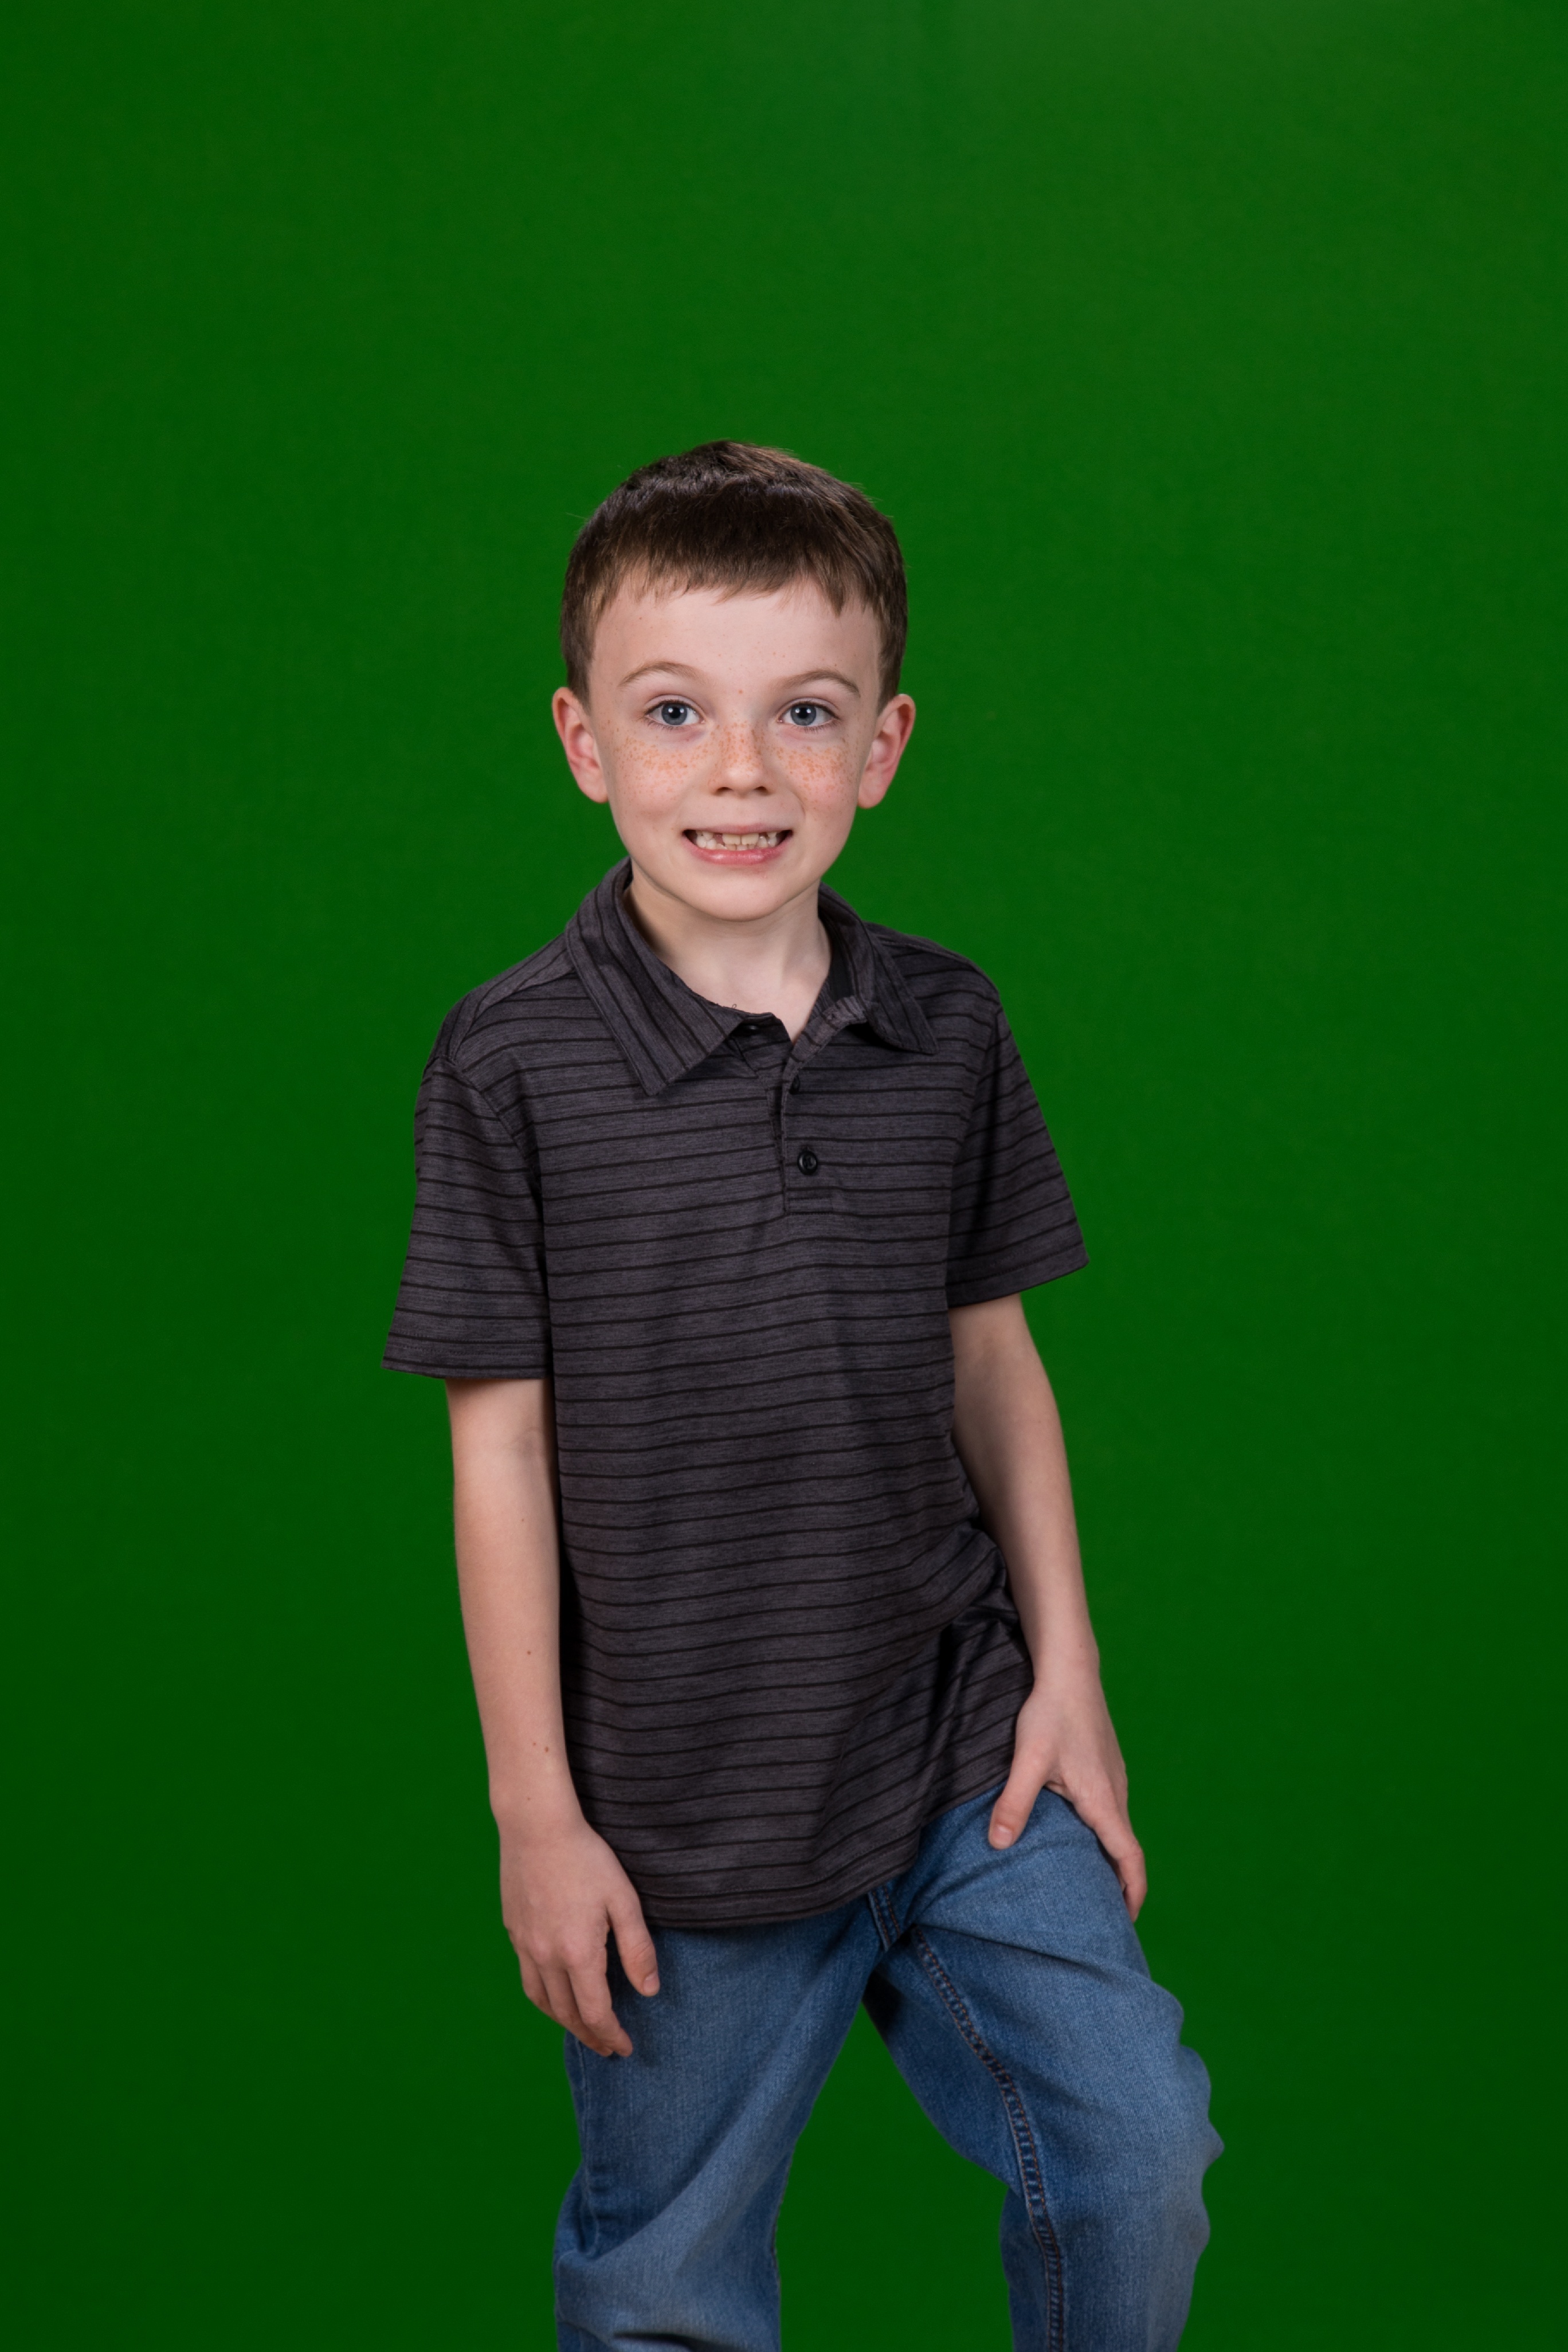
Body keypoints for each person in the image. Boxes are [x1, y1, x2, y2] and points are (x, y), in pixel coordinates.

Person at [385, 441, 1220, 2350]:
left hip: (957, 1746)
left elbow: (993, 1360)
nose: (743, 771)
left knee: (1135, 2155)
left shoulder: (948, 1027)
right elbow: (498, 1449)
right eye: (677, 712)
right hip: (682, 1806)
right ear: (586, 741)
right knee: (665, 2279)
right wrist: (536, 1812)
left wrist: (1071, 1678)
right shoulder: (511, 1062)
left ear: (885, 744)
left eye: (806, 713)